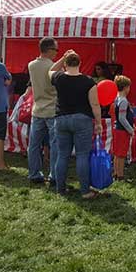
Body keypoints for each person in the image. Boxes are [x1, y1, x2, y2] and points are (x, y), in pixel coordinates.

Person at [50, 52, 102, 199]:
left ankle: (60, 189)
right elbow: (95, 104)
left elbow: (51, 70)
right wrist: (98, 122)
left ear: (66, 64)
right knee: (82, 155)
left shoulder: (59, 77)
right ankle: (85, 191)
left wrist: (63, 57)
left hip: (61, 119)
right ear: (80, 63)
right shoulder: (89, 81)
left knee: (62, 155)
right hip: (82, 119)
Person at [27, 37, 61, 185]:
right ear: (49, 50)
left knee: (34, 145)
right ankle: (54, 175)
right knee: (55, 145)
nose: (56, 53)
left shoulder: (31, 65)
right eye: (56, 50)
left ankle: (34, 173)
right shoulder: (53, 67)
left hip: (37, 110)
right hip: (52, 110)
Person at [112, 75, 136, 181]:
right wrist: (130, 130)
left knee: (117, 153)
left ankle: (116, 173)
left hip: (117, 129)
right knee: (121, 154)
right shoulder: (124, 101)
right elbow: (122, 118)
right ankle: (120, 176)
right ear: (125, 87)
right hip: (122, 130)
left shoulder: (116, 99)